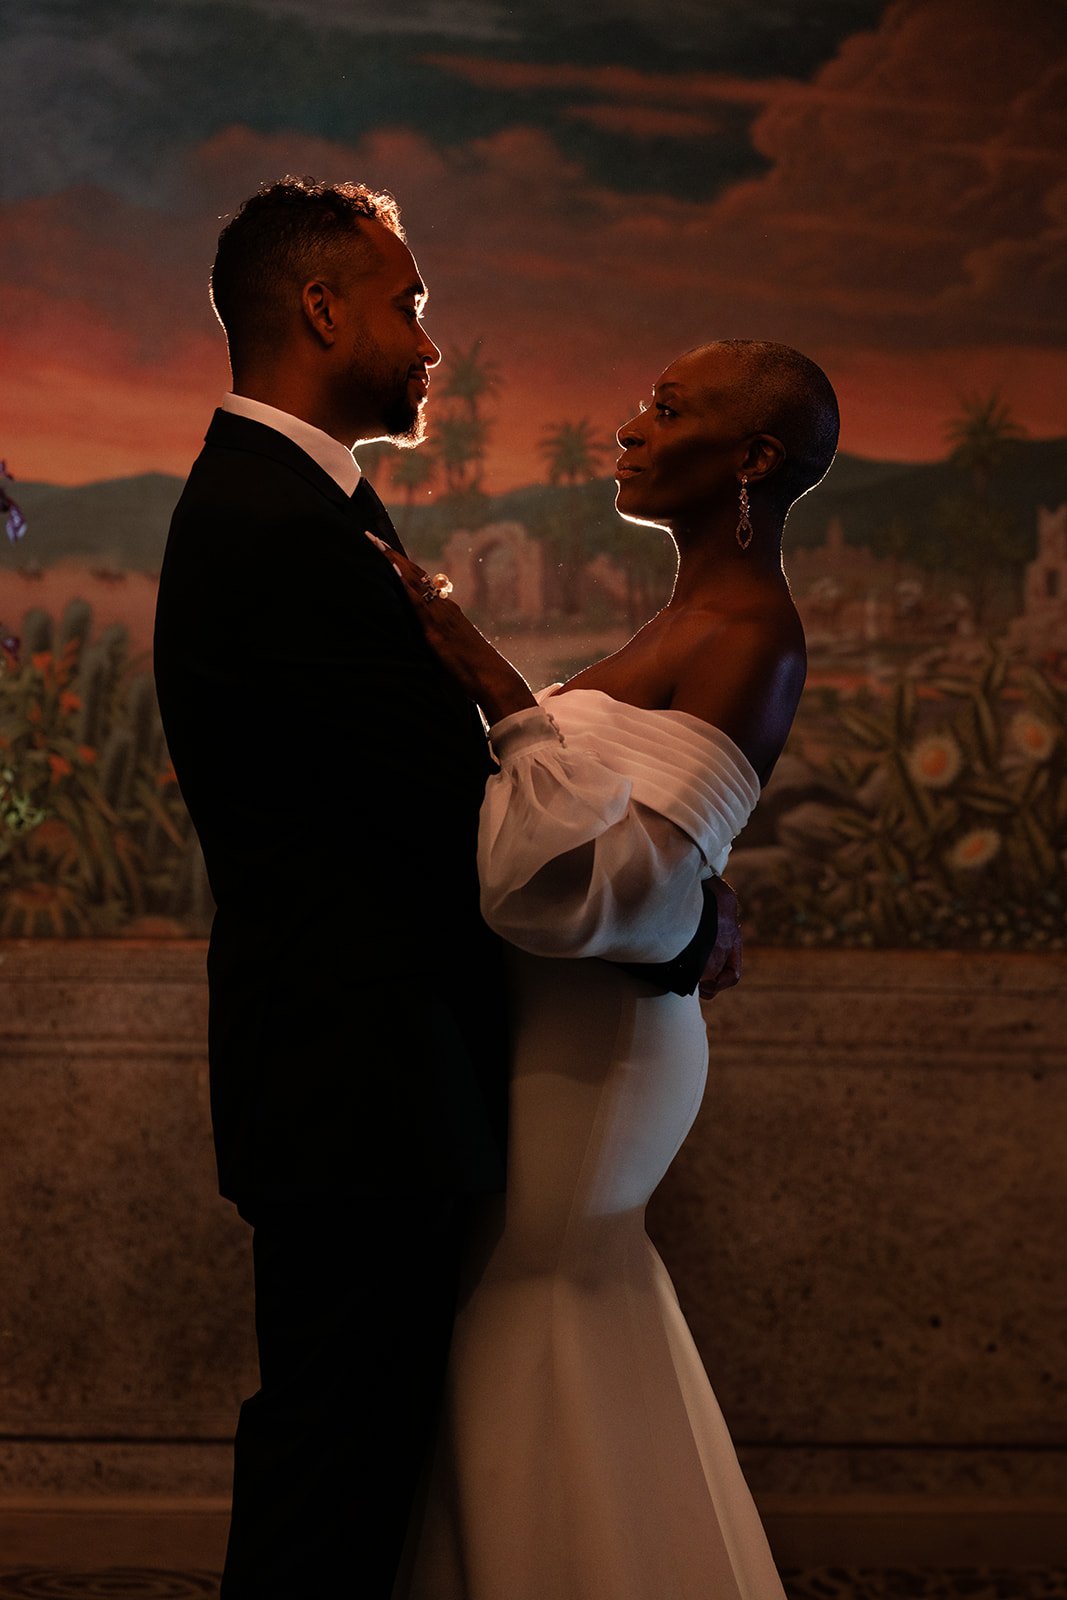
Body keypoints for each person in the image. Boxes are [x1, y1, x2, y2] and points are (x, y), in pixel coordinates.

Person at [152, 177, 735, 1598]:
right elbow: (439, 828)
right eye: (408, 304)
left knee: (352, 1464)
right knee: (333, 1480)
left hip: (360, 1077)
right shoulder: (277, 526)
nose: (426, 339)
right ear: (320, 307)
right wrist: (684, 920)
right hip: (359, 1084)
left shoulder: (301, 506)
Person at [377, 338, 840, 1599]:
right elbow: (652, 853)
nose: (629, 426)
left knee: (543, 1305)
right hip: (552, 1031)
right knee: (539, 1308)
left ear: (750, 459)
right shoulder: (688, 614)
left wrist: (490, 679)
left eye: (668, 409)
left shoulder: (751, 630)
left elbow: (607, 894)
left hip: (601, 1041)